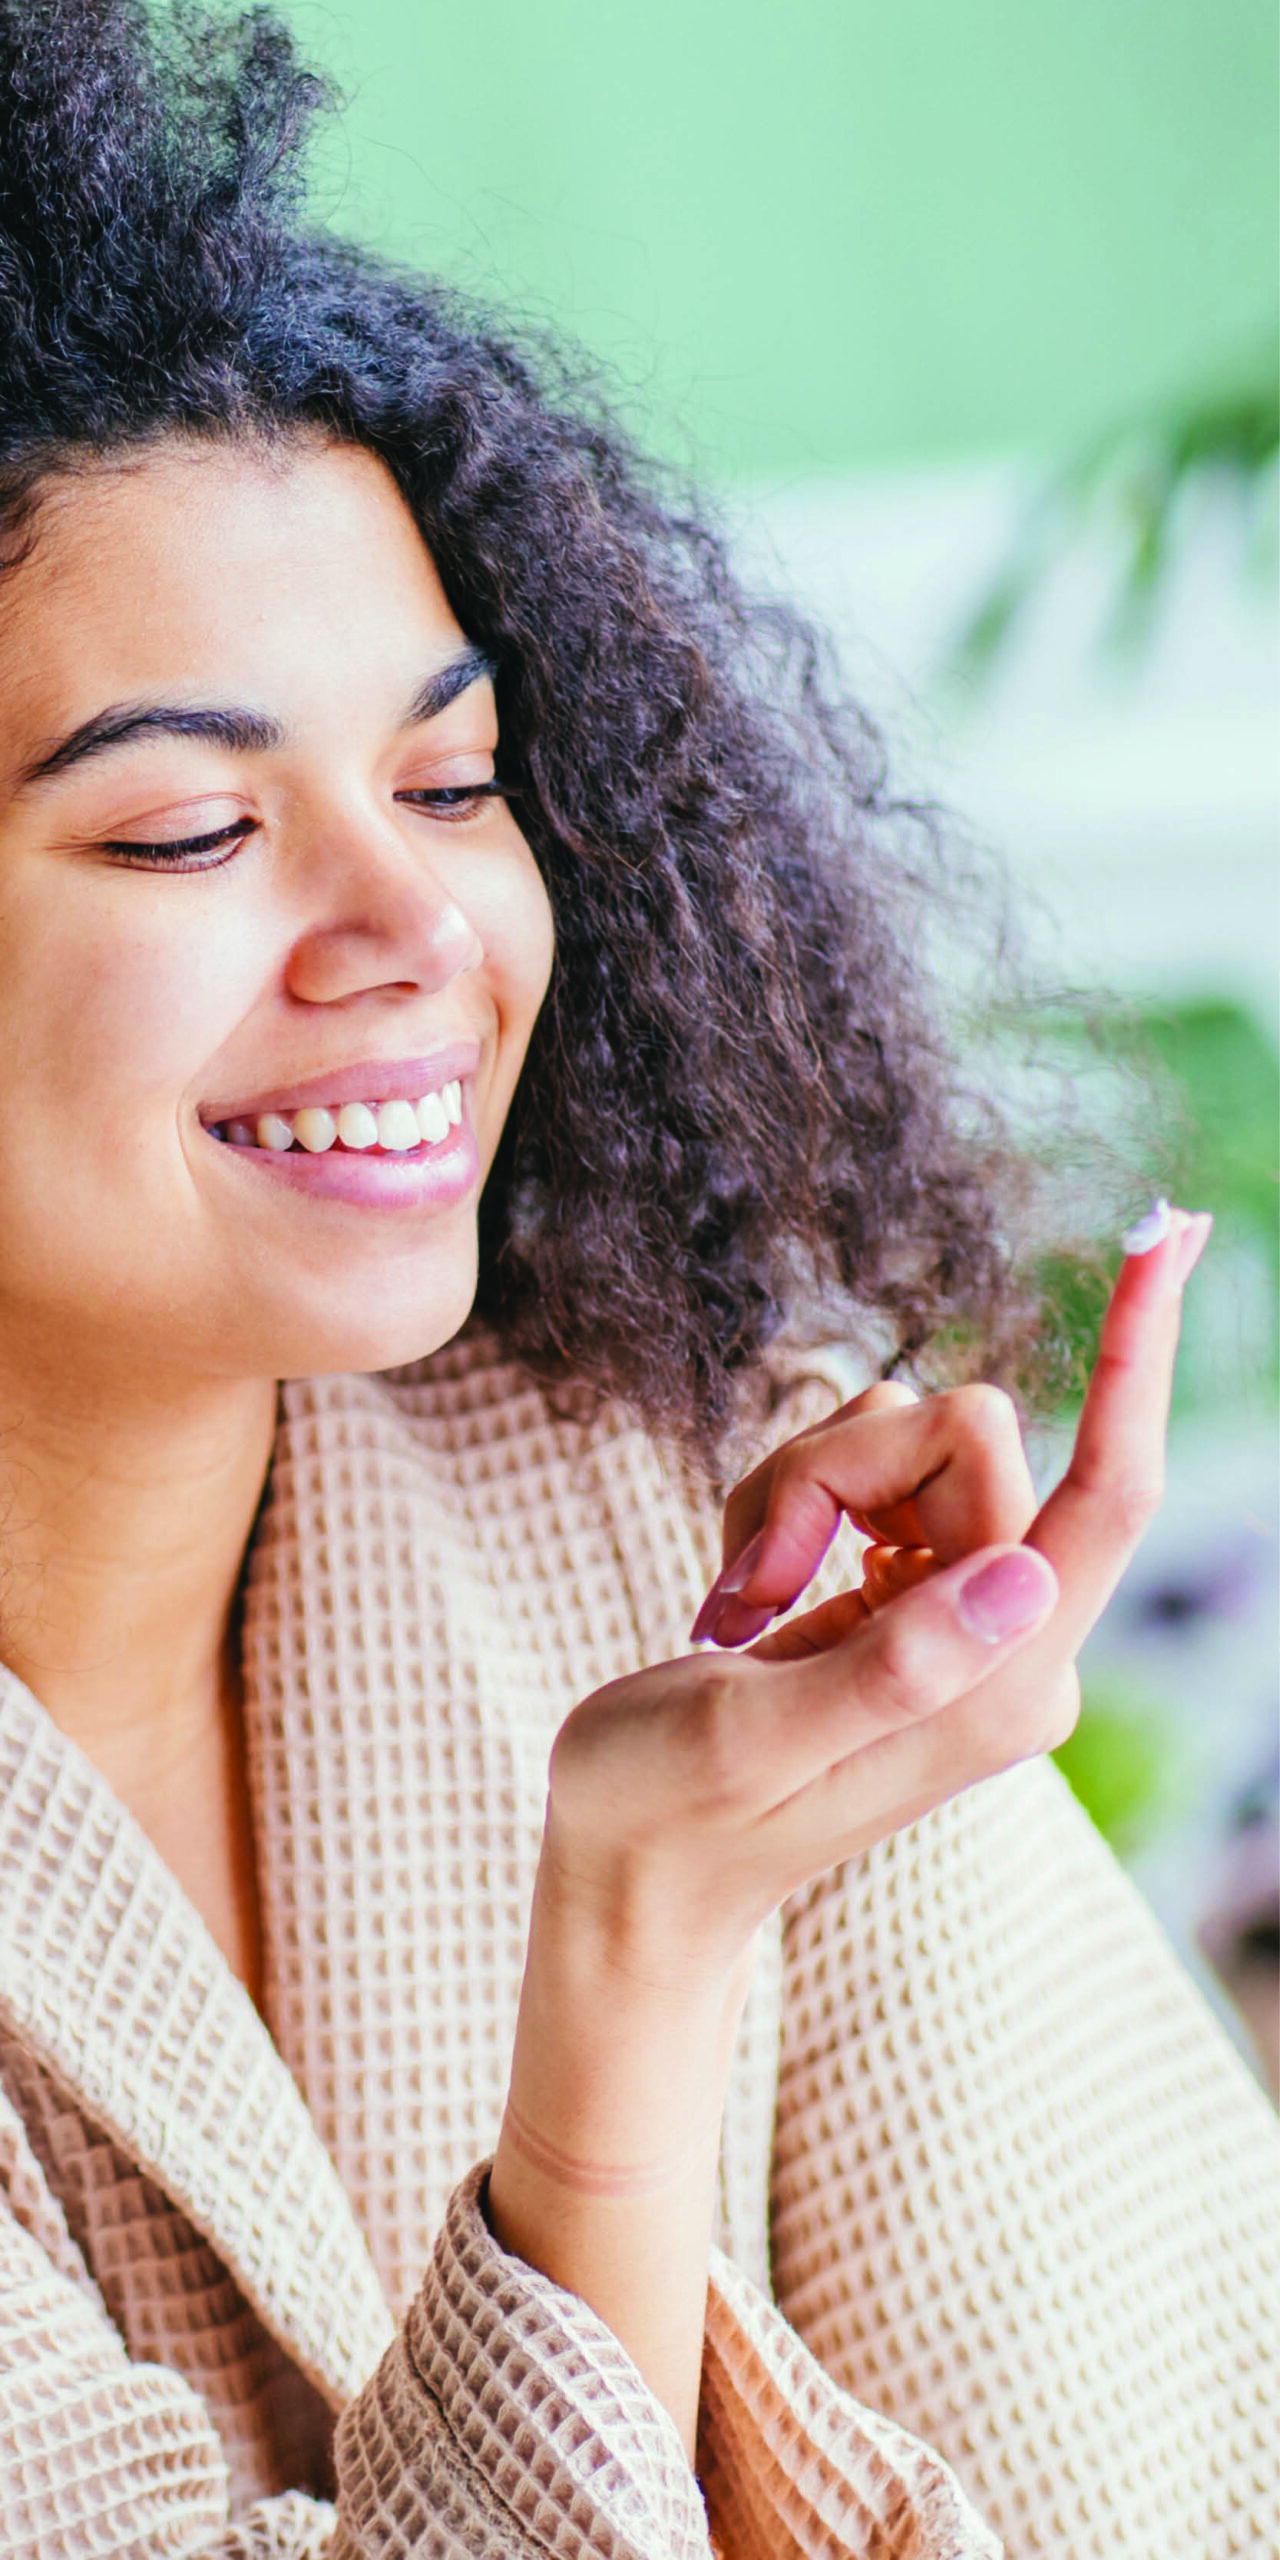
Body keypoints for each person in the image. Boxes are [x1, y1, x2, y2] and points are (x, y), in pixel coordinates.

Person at [0, 6, 1275, 2556]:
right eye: (187, 830)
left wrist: (836, 1778)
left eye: (454, 781)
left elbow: (1161, 2460)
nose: (417, 923)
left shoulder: (677, 1498)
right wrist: (637, 1943)